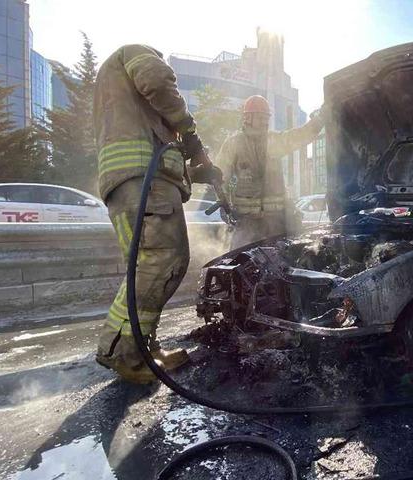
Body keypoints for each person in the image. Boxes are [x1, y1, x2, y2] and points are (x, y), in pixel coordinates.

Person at [93, 44, 222, 384]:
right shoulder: (136, 52)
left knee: (147, 266)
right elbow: (157, 80)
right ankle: (123, 352)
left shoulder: (129, 110)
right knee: (165, 259)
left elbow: (158, 154)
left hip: (130, 185)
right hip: (141, 184)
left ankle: (142, 347)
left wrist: (195, 168)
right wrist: (188, 129)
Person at [218, 96, 326, 248]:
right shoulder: (233, 144)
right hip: (246, 223)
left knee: (280, 263)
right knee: (240, 262)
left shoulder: (274, 140)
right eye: (261, 117)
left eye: (267, 117)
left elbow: (302, 135)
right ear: (248, 117)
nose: (265, 121)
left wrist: (321, 118)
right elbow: (220, 177)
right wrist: (223, 203)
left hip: (276, 223)